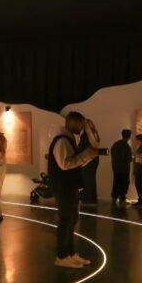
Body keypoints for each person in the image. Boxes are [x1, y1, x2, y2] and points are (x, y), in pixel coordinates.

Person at [49, 111, 100, 268]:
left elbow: (73, 163)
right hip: (64, 186)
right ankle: (61, 256)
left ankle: (70, 253)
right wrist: (87, 154)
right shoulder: (62, 140)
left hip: (69, 186)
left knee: (72, 220)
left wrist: (88, 156)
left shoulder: (68, 139)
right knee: (66, 220)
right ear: (72, 122)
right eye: (81, 124)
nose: (82, 128)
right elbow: (65, 164)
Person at [110, 129, 133, 205]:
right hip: (124, 169)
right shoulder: (126, 146)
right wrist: (132, 158)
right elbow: (127, 158)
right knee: (124, 183)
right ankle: (122, 198)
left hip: (116, 168)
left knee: (116, 183)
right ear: (129, 136)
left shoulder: (116, 144)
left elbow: (113, 154)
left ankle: (114, 197)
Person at [78, 129, 100, 205]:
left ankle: (88, 199)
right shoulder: (93, 137)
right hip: (92, 162)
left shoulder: (85, 137)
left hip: (86, 162)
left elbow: (81, 149)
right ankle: (91, 198)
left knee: (87, 181)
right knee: (91, 181)